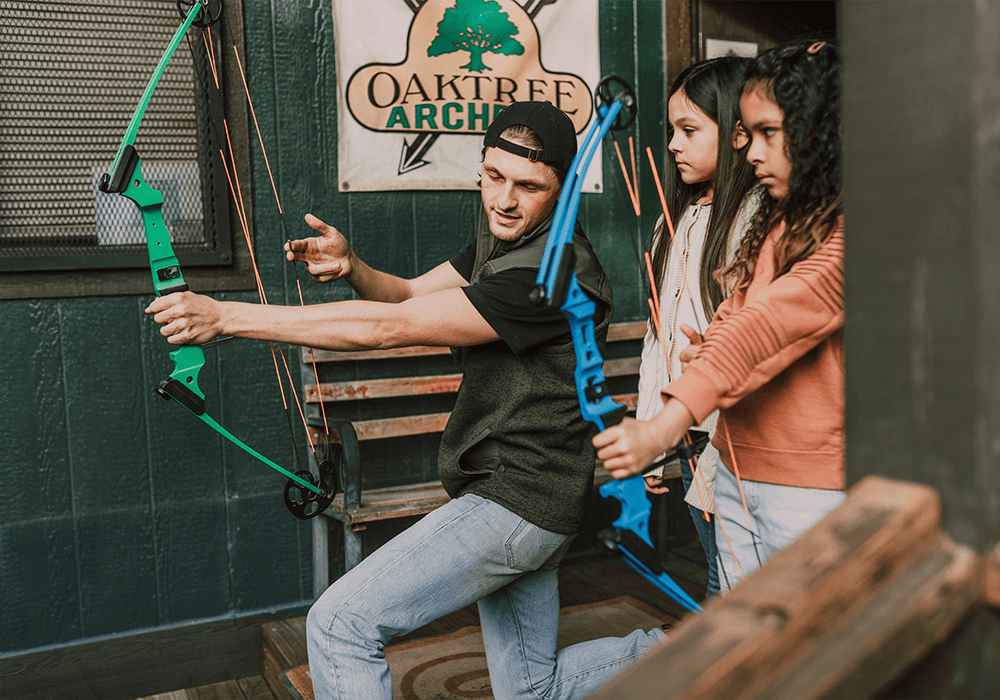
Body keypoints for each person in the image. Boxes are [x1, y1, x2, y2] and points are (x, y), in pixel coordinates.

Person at [147, 101, 665, 700]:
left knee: (340, 624)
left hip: (516, 501)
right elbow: (409, 296)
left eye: (529, 186)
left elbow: (389, 330)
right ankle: (684, 652)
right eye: (493, 176)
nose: (503, 199)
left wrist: (224, 316)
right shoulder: (508, 241)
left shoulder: (551, 276)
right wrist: (353, 266)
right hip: (532, 498)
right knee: (534, 690)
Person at [595, 38, 845, 592]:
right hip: (736, 471)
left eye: (768, 134)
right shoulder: (778, 228)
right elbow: (736, 316)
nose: (751, 152)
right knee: (740, 640)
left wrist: (659, 428)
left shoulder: (846, 239)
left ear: (818, 134)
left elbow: (765, 328)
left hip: (809, 490)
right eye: (747, 134)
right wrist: (706, 348)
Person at [637, 55, 760, 597]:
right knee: (718, 572)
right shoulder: (676, 218)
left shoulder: (757, 217)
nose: (673, 145)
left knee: (731, 582)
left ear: (738, 132)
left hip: (732, 436)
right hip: (685, 432)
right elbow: (657, 335)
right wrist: (652, 429)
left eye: (689, 129)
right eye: (671, 131)